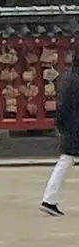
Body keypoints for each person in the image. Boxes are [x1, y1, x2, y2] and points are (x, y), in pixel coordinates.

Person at [40, 50, 79, 215]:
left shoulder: (67, 78)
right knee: (65, 162)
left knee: (64, 163)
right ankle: (49, 200)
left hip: (71, 127)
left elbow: (61, 106)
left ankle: (49, 199)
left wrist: (61, 125)